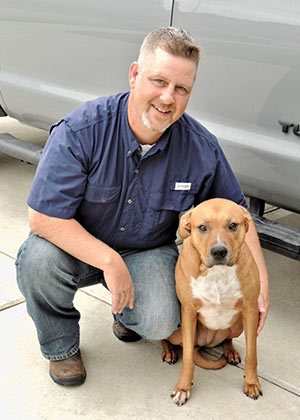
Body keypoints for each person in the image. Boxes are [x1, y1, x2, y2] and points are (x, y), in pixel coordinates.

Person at [16, 26, 270, 386]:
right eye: (159, 81)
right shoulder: (82, 130)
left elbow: (239, 215)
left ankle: (127, 315)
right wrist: (109, 260)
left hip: (146, 252)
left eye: (181, 88)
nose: (168, 98)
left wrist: (260, 284)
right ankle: (61, 347)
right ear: (135, 75)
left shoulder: (201, 148)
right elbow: (42, 217)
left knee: (162, 319)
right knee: (37, 264)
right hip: (76, 248)